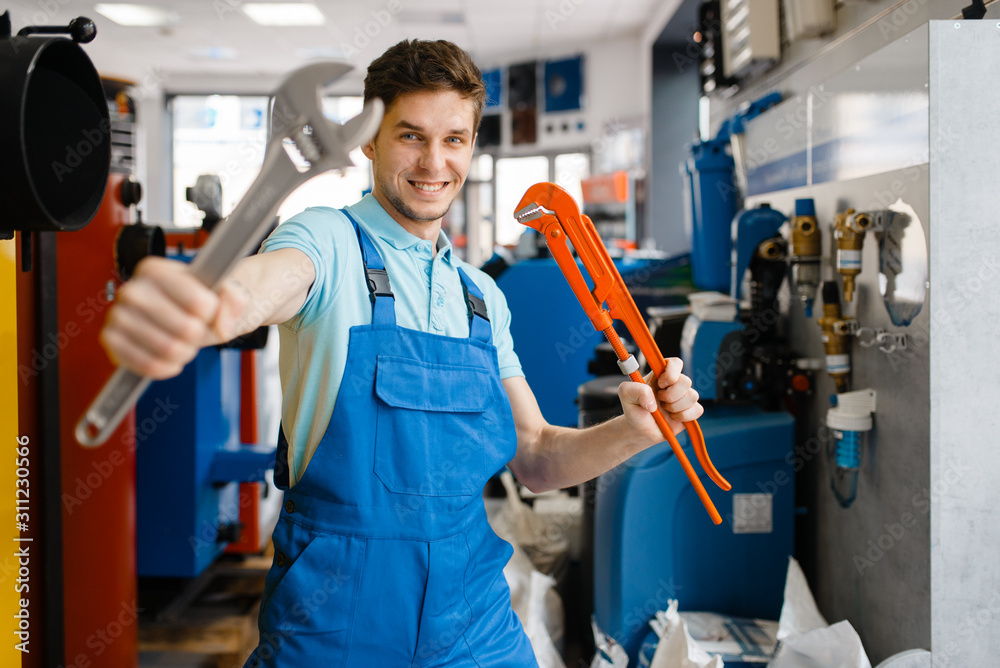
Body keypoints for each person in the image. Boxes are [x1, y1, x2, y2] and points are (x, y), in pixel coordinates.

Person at [100, 39, 703, 668]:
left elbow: (536, 457)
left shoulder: (481, 298)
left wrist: (637, 430)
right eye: (410, 136)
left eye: (454, 139)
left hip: (471, 615)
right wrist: (207, 307)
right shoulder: (328, 238)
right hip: (336, 616)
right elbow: (261, 286)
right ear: (369, 140)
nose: (434, 162)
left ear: (472, 145)